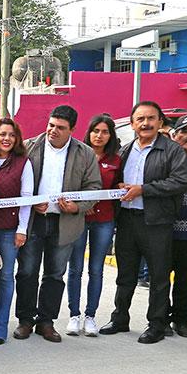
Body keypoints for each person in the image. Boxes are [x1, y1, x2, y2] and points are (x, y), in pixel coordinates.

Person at [100, 101, 187, 343]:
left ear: (160, 122)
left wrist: (144, 189)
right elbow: (118, 181)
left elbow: (182, 182)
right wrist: (120, 187)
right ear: (132, 124)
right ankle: (120, 318)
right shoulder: (126, 150)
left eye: (151, 118)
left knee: (159, 277)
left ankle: (157, 324)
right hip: (127, 220)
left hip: (157, 222)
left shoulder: (172, 150)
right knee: (125, 274)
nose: (146, 123)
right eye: (140, 119)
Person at [14, 105, 102, 343]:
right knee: (26, 271)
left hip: (65, 222)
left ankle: (46, 321)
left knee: (55, 274)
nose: (53, 131)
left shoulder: (85, 153)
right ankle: (25, 320)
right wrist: (31, 203)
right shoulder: (29, 147)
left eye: (60, 128)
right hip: (34, 221)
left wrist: (76, 206)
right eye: (51, 125)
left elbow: (94, 188)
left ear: (72, 130)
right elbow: (16, 181)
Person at [0, 118, 33, 345]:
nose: (7, 139)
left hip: (10, 231)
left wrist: (22, 230)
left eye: (11, 135)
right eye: (2, 134)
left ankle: (0, 328)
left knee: (6, 277)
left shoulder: (23, 162)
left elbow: (27, 199)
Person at [65, 114, 121, 337]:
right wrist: (82, 204)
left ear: (110, 135)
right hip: (77, 218)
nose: (99, 136)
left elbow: (117, 188)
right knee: (75, 268)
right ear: (88, 133)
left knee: (96, 269)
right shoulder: (78, 155)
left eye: (104, 132)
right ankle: (74, 315)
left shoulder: (116, 160)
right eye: (95, 131)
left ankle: (90, 316)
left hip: (104, 221)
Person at [168, 114, 187, 337]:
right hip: (164, 230)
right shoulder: (166, 159)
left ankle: (181, 319)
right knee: (159, 279)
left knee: (186, 279)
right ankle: (158, 319)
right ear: (174, 135)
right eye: (185, 132)